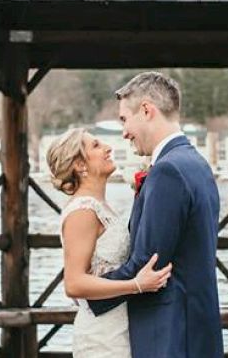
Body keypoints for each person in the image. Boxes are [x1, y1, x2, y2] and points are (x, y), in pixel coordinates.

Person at [88, 72, 223, 357]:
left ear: (147, 110)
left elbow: (149, 262)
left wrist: (91, 292)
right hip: (196, 326)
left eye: (125, 119)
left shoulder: (168, 171)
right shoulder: (196, 163)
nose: (124, 132)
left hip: (168, 333)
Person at [47, 127, 171, 358]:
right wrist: (137, 285)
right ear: (79, 165)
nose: (108, 148)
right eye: (96, 145)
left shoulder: (102, 207)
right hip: (102, 337)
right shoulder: (83, 212)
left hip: (122, 327)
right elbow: (74, 284)